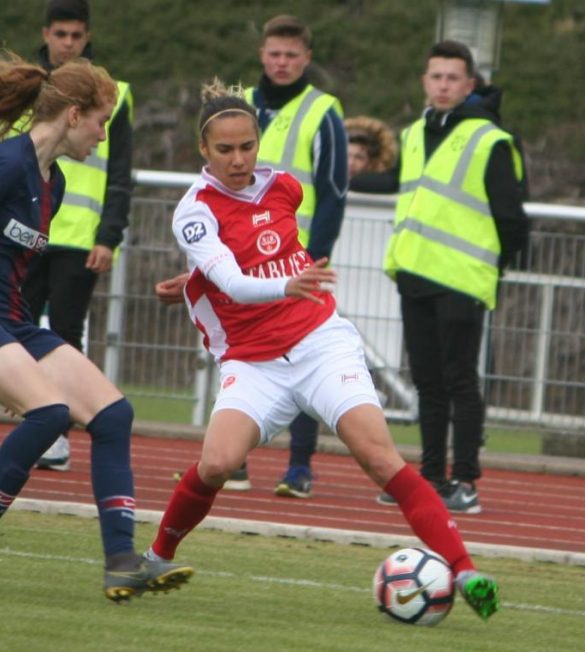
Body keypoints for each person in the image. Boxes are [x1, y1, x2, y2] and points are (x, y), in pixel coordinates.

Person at [146, 80, 499, 621]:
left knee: (380, 459)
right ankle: (154, 559)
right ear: (203, 150)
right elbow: (237, 282)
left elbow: (267, 253)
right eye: (225, 150)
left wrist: (210, 279)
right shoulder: (194, 212)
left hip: (319, 342)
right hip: (254, 360)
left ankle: (466, 569)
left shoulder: (285, 186)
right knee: (216, 463)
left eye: (247, 146)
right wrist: (253, 283)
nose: (238, 159)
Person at [0, 52, 191, 600]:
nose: (103, 136)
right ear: (71, 115)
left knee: (114, 413)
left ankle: (122, 561)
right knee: (51, 414)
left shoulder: (53, 181)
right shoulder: (7, 164)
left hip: (10, 318)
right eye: (100, 121)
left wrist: (16, 362)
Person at [352, 41, 529, 514]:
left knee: (459, 382)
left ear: (470, 85)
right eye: (436, 76)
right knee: (427, 383)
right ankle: (430, 476)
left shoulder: (489, 139)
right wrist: (331, 175)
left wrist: (495, 266)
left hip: (462, 279)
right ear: (424, 82)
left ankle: (465, 481)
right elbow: (393, 184)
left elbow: (513, 217)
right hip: (414, 272)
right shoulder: (414, 133)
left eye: (453, 78)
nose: (443, 85)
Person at [3, 0, 135, 474]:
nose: (69, 44)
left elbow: (120, 173)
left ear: (87, 37)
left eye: (77, 36)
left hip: (79, 237)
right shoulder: (26, 86)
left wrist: (109, 235)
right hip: (26, 229)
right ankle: (36, 416)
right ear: (46, 34)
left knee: (64, 332)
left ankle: (56, 434)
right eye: (61, 35)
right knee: (16, 327)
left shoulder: (115, 93)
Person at [229, 14, 349, 498]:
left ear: (306, 59)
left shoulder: (323, 111)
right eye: (274, 54)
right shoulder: (238, 105)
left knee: (301, 354)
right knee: (237, 353)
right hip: (240, 259)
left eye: (291, 56)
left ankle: (298, 468)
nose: (281, 63)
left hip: (296, 262)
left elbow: (334, 189)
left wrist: (315, 256)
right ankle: (233, 462)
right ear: (262, 54)